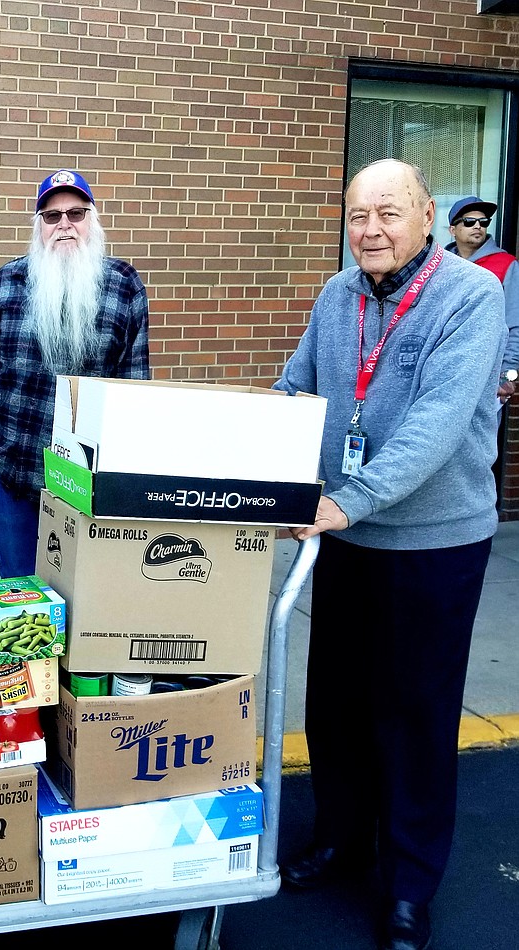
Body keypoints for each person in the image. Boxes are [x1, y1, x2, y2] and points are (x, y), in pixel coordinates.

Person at [274, 159, 506, 950]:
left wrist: (347, 500)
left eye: (388, 213)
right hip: (346, 536)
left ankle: (410, 882)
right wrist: (256, 473)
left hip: (431, 542)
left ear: (427, 216)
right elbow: (295, 390)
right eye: (356, 215)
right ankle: (341, 840)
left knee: (412, 713)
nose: (370, 230)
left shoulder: (472, 295)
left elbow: (437, 426)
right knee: (335, 701)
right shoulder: (337, 294)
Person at [0, 169, 150, 578]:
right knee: (19, 584)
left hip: (86, 475)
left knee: (81, 590)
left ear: (92, 221)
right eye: (51, 216)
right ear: (39, 226)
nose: (64, 225)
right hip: (13, 458)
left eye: (76, 214)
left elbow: (135, 382)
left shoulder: (124, 285)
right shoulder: (8, 281)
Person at [445, 194, 519, 403]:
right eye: (469, 221)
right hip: (444, 372)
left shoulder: (506, 264)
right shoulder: (439, 267)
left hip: (487, 377)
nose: (478, 226)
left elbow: (515, 324)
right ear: (453, 230)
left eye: (483, 222)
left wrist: (506, 373)